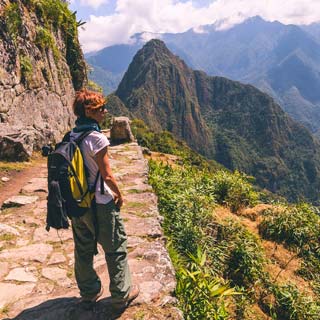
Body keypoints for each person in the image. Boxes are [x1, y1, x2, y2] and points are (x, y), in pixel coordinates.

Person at [70, 88, 139, 308]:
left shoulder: (71, 136)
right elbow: (107, 175)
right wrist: (119, 193)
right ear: (89, 112)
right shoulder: (97, 138)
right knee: (115, 246)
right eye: (100, 109)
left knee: (83, 249)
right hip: (100, 203)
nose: (105, 111)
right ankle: (121, 293)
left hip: (78, 204)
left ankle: (89, 292)